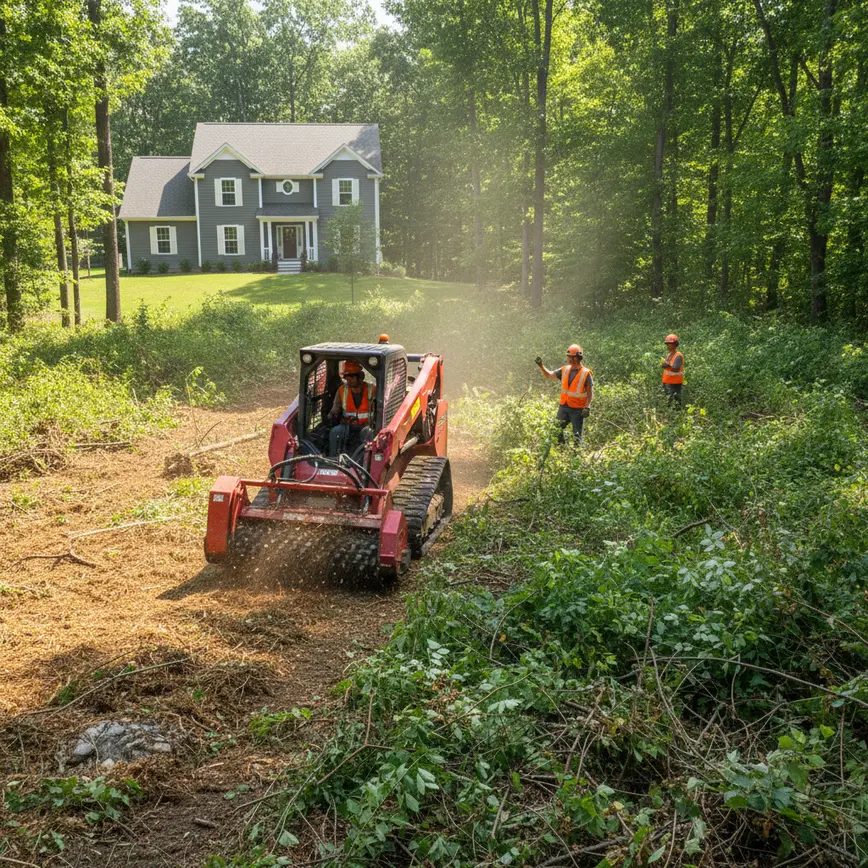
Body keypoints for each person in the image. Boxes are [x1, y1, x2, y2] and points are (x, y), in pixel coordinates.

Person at [535, 344, 594, 446]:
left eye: (572, 357)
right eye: (569, 356)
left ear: (579, 357)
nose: (570, 359)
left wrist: (587, 406)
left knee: (577, 436)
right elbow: (549, 375)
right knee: (556, 430)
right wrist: (541, 366)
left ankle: (577, 454)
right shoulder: (565, 369)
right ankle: (563, 448)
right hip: (564, 406)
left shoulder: (585, 373)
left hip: (577, 409)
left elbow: (590, 391)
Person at [328, 360, 377, 457]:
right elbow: (335, 408)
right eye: (347, 377)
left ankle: (366, 459)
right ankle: (332, 458)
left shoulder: (372, 390)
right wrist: (330, 416)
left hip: (366, 426)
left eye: (352, 377)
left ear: (360, 377)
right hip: (347, 425)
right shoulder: (342, 390)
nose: (349, 380)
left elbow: (378, 410)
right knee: (335, 432)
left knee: (368, 433)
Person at [661, 333, 684, 406]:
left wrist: (667, 366)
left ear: (675, 344)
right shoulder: (670, 354)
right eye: (667, 344)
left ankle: (677, 413)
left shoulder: (678, 355)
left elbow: (676, 369)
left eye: (669, 343)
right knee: (668, 402)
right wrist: (664, 365)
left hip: (674, 383)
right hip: (667, 382)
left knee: (675, 403)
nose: (667, 345)